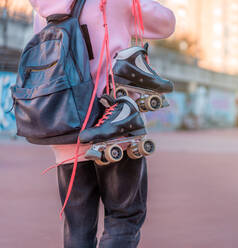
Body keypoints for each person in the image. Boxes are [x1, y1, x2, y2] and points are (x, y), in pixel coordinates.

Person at [28, 0, 175, 247]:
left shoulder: (45, 6)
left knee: (77, 229)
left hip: (66, 128)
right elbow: (165, 23)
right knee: (123, 218)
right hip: (116, 124)